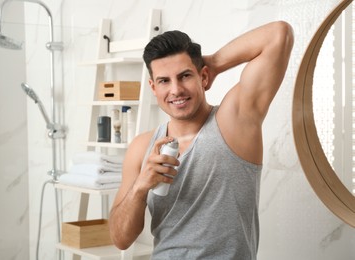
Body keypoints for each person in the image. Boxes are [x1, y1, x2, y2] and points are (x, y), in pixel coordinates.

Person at [109, 21, 294, 259]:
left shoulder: (234, 122)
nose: (175, 90)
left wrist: (214, 63)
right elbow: (120, 238)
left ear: (203, 77)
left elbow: (278, 35)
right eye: (164, 81)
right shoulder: (142, 147)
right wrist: (140, 186)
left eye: (185, 76)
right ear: (154, 88)